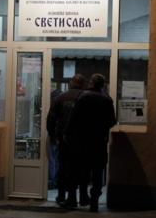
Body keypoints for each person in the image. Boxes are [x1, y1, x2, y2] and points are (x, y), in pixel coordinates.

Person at [65, 73, 116, 212]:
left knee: (79, 170)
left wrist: (69, 135)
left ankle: (73, 199)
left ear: (92, 83)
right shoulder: (107, 99)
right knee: (98, 173)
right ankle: (94, 202)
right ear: (102, 85)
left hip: (81, 142)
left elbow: (73, 118)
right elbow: (112, 121)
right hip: (99, 142)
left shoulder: (83, 97)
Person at [46, 74, 89, 208]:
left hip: (64, 139)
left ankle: (62, 196)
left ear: (71, 83)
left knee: (64, 168)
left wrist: (53, 135)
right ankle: (82, 197)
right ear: (83, 84)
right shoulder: (87, 97)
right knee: (82, 169)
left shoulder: (60, 97)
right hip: (83, 140)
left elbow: (51, 118)